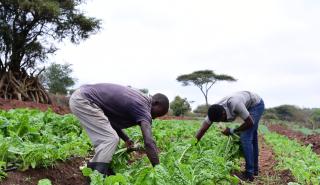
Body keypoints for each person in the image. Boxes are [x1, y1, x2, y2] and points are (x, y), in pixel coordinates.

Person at [69, 83, 169, 177]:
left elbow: (110, 122)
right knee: (110, 139)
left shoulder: (141, 100)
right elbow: (149, 142)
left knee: (110, 138)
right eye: (159, 113)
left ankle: (95, 170)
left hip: (83, 97)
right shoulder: (143, 107)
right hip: (84, 100)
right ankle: (97, 175)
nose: (155, 117)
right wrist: (158, 170)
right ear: (156, 103)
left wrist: (126, 139)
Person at [195, 91, 264, 182]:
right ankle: (254, 170)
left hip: (256, 104)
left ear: (224, 114)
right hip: (245, 102)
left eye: (221, 120)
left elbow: (250, 123)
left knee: (246, 137)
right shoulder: (214, 112)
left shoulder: (235, 104)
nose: (222, 121)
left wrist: (232, 131)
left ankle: (249, 174)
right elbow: (202, 130)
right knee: (252, 136)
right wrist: (192, 145)